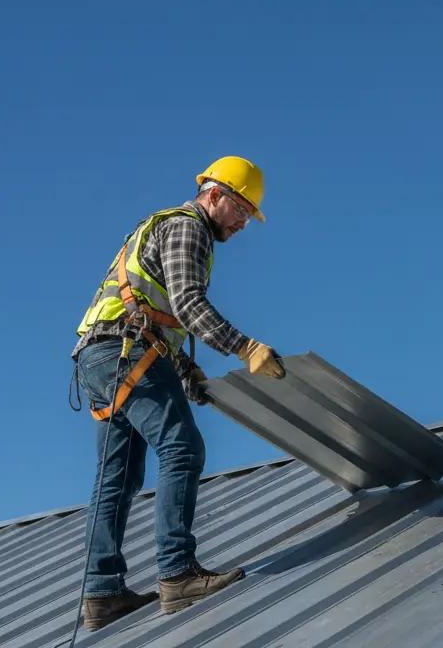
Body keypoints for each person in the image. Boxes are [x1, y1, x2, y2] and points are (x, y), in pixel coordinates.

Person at [71, 156, 286, 629]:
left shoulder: (164, 227)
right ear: (214, 195)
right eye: (242, 210)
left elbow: (156, 311)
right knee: (182, 448)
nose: (244, 224)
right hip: (125, 352)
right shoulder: (190, 228)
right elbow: (188, 303)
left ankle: (102, 593)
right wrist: (245, 347)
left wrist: (187, 373)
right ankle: (177, 574)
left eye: (249, 215)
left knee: (118, 476)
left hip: (100, 356)